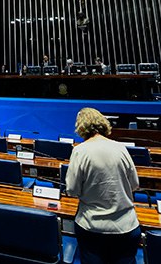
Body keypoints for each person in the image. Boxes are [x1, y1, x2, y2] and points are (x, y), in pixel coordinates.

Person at [65, 108, 140, 264]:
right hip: (126, 226)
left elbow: (71, 190)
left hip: (92, 227)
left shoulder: (80, 151)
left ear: (81, 126)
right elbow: (135, 185)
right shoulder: (121, 148)